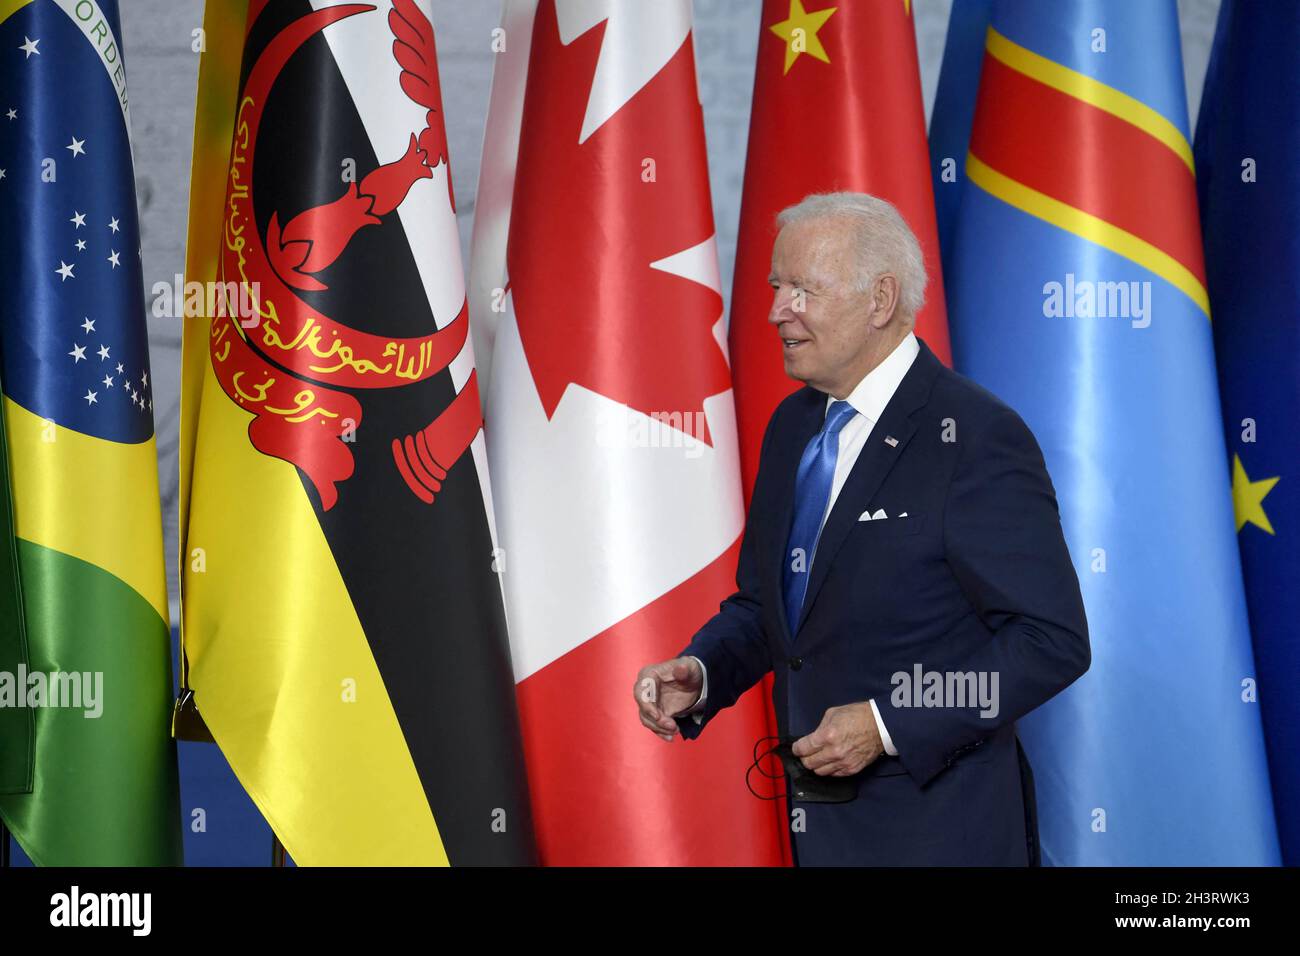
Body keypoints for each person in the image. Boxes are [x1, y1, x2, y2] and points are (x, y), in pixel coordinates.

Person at [633, 192, 1090, 865]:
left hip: (941, 837)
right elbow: (772, 609)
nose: (775, 311)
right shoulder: (794, 427)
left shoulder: (974, 436)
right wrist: (703, 672)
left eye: (802, 290)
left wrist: (886, 725)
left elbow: (1050, 641)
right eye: (775, 287)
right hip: (819, 835)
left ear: (880, 300)